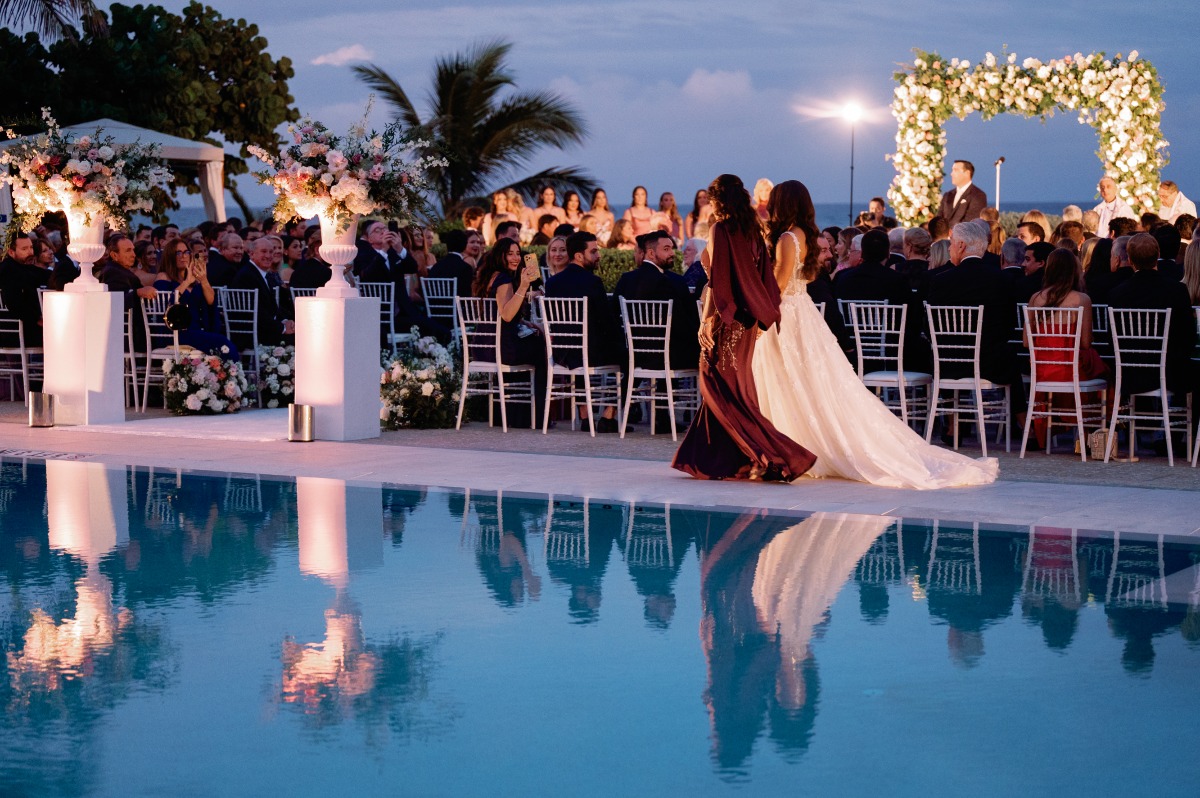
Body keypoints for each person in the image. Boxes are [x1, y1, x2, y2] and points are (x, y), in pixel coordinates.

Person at [751, 180, 996, 488]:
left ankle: (787, 443)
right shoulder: (805, 235)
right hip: (802, 310)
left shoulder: (787, 237)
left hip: (785, 311)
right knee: (807, 380)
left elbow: (778, 282)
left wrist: (756, 309)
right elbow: (806, 275)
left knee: (786, 377)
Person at [671, 174, 815, 482]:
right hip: (748, 322)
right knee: (735, 390)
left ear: (718, 201)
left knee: (718, 384)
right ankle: (715, 461)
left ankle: (782, 456)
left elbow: (719, 281)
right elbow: (761, 277)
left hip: (728, 321)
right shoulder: (752, 229)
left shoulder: (720, 229)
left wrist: (708, 322)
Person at [544, 231, 625, 432]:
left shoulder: (552, 283)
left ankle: (585, 415)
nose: (598, 256)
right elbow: (607, 322)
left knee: (582, 347)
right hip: (589, 353)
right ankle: (609, 414)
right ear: (579, 256)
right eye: (594, 252)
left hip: (563, 353)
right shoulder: (592, 282)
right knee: (632, 356)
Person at [1106, 233, 1197, 397]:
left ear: (1131, 260)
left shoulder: (1116, 294)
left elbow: (1112, 341)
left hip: (1130, 375)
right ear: (1158, 256)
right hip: (1171, 374)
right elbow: (1188, 337)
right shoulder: (1176, 290)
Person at [471, 238, 547, 424]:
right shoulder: (504, 280)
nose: (515, 258)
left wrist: (525, 322)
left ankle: (510, 415)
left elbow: (499, 312)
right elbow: (506, 315)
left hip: (483, 346)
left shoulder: (489, 276)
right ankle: (534, 418)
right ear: (500, 256)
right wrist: (522, 286)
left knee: (533, 340)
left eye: (517, 253)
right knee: (541, 347)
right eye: (510, 254)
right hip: (501, 348)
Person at [1026, 248, 1107, 383]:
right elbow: (1085, 343)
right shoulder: (1082, 299)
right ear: (1074, 270)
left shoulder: (1035, 298)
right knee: (1102, 369)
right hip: (1072, 370)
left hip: (1043, 369)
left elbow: (1026, 342)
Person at [153, 239, 239, 360]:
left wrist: (203, 280)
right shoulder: (164, 276)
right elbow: (168, 304)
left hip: (196, 330)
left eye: (186, 252)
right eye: (178, 253)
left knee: (222, 341)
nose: (183, 256)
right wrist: (187, 281)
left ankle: (225, 376)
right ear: (170, 256)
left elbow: (211, 301)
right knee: (221, 342)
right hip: (175, 332)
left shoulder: (195, 280)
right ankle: (232, 376)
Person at [231, 236, 293, 348]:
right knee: (303, 338)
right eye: (264, 251)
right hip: (253, 334)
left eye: (271, 252)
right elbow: (256, 314)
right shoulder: (247, 276)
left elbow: (272, 308)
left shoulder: (260, 273)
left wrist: (286, 321)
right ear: (251, 254)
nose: (269, 256)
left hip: (264, 329)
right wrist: (282, 328)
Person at [0, 233, 51, 346]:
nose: (30, 252)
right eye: (24, 249)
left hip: (21, 328)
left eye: (31, 247)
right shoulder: (9, 270)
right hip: (15, 331)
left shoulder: (20, 267)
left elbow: (41, 274)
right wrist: (37, 319)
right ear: (11, 252)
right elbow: (13, 302)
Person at [937, 160, 987, 225]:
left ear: (967, 173)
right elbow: (939, 219)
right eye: (952, 170)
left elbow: (971, 223)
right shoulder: (947, 195)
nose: (951, 174)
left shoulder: (978, 195)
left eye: (956, 170)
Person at [428, 228, 475, 298]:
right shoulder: (466, 268)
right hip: (457, 307)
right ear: (465, 246)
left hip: (435, 307)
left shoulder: (435, 267)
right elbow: (466, 296)